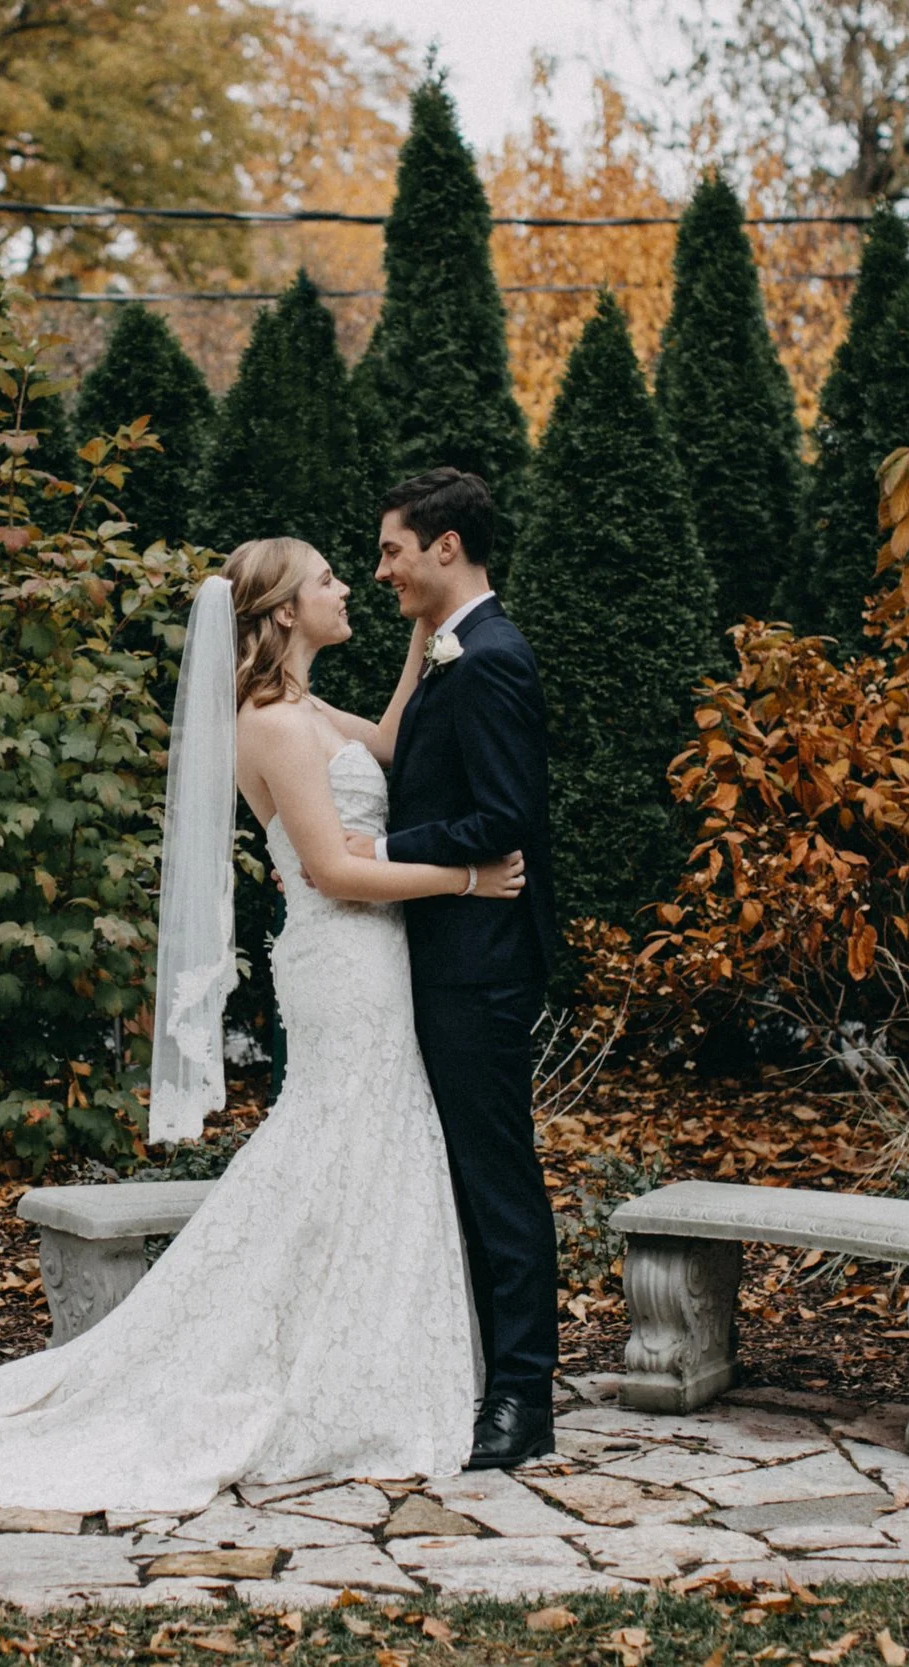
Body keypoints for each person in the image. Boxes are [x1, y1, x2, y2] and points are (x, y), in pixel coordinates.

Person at [0, 534, 527, 1510]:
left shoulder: (309, 709)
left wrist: (425, 632)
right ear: (284, 611)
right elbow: (332, 870)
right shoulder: (272, 726)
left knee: (364, 1149)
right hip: (343, 956)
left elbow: (390, 744)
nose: (346, 589)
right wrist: (467, 875)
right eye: (327, 579)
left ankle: (361, 1354)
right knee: (338, 1140)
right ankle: (298, 1365)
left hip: (376, 956)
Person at [353, 468, 561, 1469]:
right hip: (449, 952)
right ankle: (484, 1372)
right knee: (465, 1177)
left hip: (480, 962)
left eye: (393, 547)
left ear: (445, 546)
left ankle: (522, 1398)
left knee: (495, 1177)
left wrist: (371, 854)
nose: (380, 566)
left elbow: (504, 817)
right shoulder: (448, 653)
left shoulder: (488, 659)